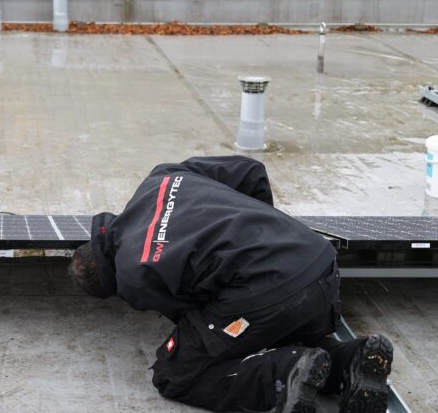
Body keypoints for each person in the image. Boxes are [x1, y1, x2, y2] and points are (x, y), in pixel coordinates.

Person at [69, 156, 393, 413]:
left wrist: (265, 275)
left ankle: (285, 372)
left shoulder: (131, 273)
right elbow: (252, 172)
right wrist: (264, 236)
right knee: (257, 321)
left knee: (176, 372)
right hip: (319, 264)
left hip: (271, 293)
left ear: (110, 284)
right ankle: (351, 360)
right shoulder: (162, 177)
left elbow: (195, 318)